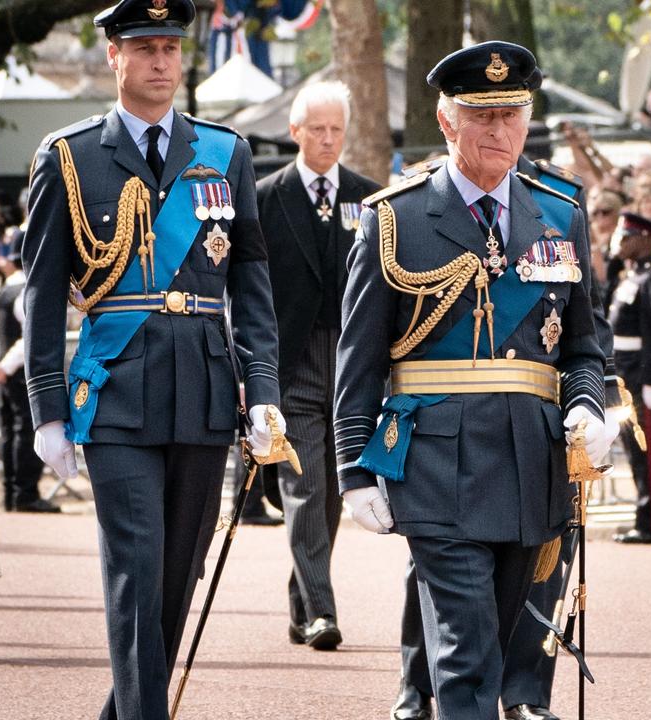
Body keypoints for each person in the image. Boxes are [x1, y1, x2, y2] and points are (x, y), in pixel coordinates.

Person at [332, 41, 610, 720]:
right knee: (465, 652)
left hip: (533, 460)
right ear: (446, 119)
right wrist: (352, 468)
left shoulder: (560, 213)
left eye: (511, 113)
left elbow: (583, 344)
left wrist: (588, 405)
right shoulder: (394, 219)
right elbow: (359, 356)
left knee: (514, 640)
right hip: (435, 460)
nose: (497, 130)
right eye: (479, 115)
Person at [22, 1, 283, 716]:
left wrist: (262, 389)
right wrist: (47, 408)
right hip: (117, 394)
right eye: (145, 48)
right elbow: (42, 294)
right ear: (113, 55)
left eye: (170, 47)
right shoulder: (70, 156)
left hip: (203, 389)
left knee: (177, 578)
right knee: (136, 573)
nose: (161, 62)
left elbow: (251, 281)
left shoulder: (225, 153)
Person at [256, 80, 382, 651]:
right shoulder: (264, 198)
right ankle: (323, 613)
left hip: (352, 368)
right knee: (305, 489)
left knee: (333, 496)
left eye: (337, 130)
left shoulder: (372, 200)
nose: (329, 140)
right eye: (318, 130)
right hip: (293, 364)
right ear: (295, 132)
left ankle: (301, 600)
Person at [609, 212, 651, 544]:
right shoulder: (626, 277)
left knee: (646, 449)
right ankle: (642, 517)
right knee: (632, 450)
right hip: (622, 372)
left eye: (626, 235)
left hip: (640, 375)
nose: (619, 241)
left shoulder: (650, 280)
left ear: (643, 240)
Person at [0, 236, 59, 513]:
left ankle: (12, 492)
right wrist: (5, 367)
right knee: (25, 431)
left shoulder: (6, 290)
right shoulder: (24, 290)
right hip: (19, 370)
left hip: (4, 369)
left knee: (10, 432)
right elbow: (28, 337)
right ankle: (24, 493)